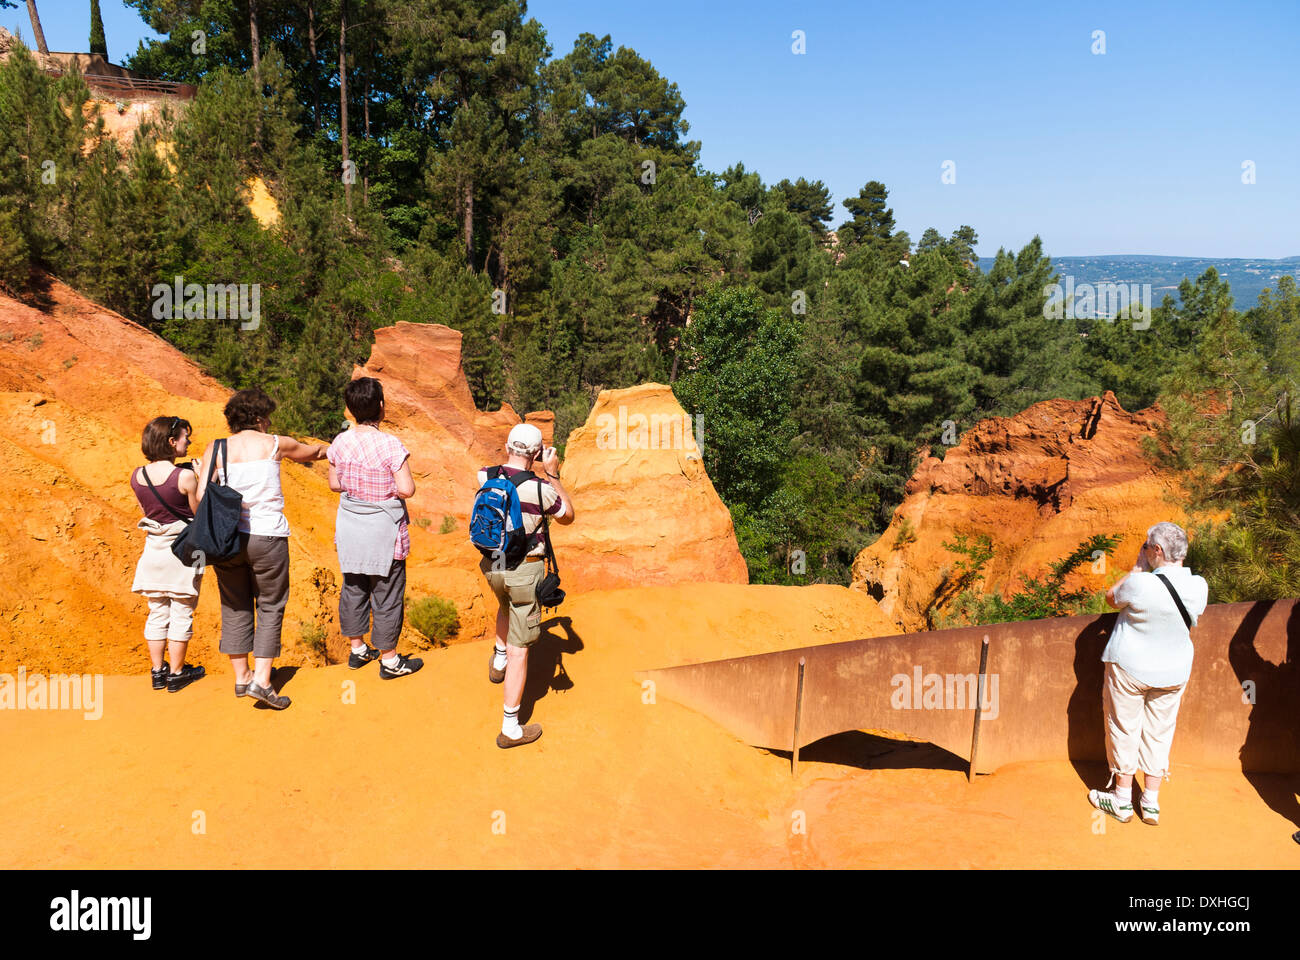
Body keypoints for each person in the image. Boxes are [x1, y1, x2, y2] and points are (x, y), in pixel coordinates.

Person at [196, 388, 328, 710]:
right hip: (267, 536)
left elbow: (201, 497)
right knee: (270, 604)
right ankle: (263, 682)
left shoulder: (217, 447)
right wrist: (331, 447)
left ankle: (242, 678)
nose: (270, 421)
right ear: (259, 418)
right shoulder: (274, 444)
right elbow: (311, 453)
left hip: (227, 540)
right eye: (267, 416)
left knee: (235, 604)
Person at [1088, 521, 1208, 825]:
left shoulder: (1140, 584)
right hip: (1173, 672)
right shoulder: (1199, 586)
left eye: (1146, 546)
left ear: (1156, 550)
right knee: (1160, 732)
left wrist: (1138, 568)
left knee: (1124, 728)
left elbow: (1111, 597)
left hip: (1129, 668)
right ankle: (1151, 803)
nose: (1143, 550)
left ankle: (1122, 800)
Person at [478, 423, 575, 749]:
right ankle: (511, 727)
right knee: (523, 649)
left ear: (507, 447)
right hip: (524, 570)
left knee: (504, 605)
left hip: (493, 567)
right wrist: (554, 474)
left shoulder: (485, 475)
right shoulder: (540, 489)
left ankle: (498, 658)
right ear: (536, 454)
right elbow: (567, 515)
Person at [327, 377, 422, 679]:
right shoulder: (390, 445)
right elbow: (406, 489)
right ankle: (390, 661)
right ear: (381, 407)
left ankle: (358, 650)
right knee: (387, 593)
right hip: (385, 531)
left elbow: (333, 483)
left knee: (354, 587)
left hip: (351, 528)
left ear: (350, 409)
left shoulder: (340, 442)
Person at [129, 416, 206, 693]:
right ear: (172, 442)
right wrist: (203, 477)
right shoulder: (184, 476)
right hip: (183, 551)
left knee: (157, 611)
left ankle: (158, 671)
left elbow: (153, 510)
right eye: (186, 437)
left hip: (153, 550)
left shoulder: (136, 476)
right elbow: (198, 514)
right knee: (182, 610)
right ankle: (176, 673)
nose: (189, 442)